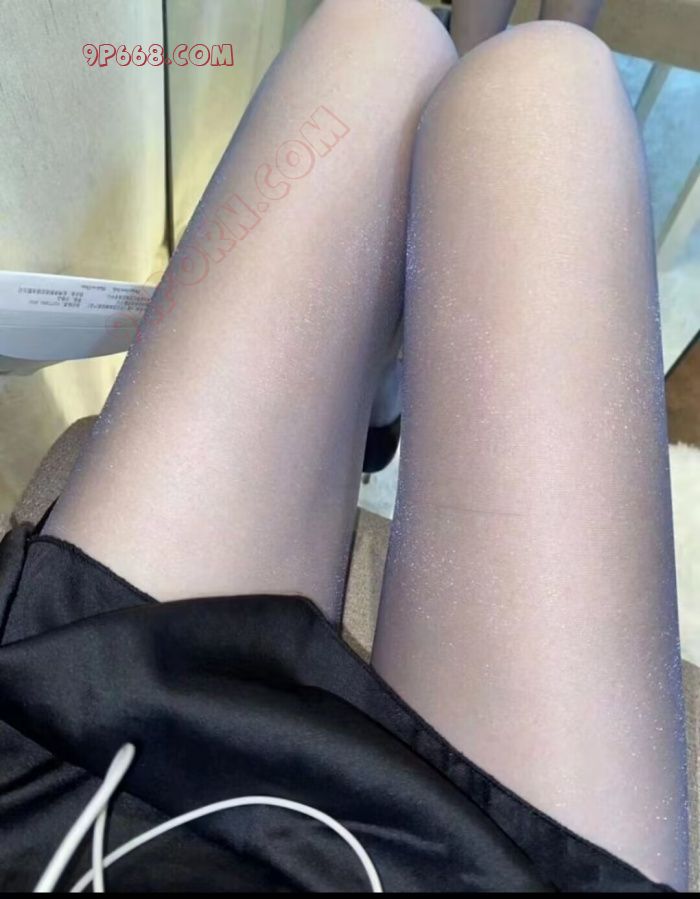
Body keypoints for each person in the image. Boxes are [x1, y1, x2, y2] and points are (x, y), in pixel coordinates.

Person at [0, 0, 688, 891]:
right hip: (485, 866)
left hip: (65, 738)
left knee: (381, 32)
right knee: (551, 83)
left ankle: (384, 378)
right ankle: (388, 372)